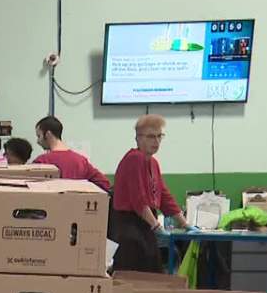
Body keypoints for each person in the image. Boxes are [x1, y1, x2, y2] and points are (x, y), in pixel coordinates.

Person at [109, 114, 190, 273]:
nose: (157, 141)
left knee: (152, 271)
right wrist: (156, 226)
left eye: (160, 136)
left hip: (145, 223)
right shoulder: (134, 159)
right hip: (130, 226)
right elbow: (138, 199)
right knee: (136, 275)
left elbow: (164, 195)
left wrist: (185, 224)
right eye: (151, 136)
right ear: (138, 138)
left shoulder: (153, 162)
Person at [32, 116, 110, 191]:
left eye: (39, 136)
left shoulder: (41, 162)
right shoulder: (81, 161)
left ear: (48, 134)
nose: (38, 141)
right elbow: (104, 183)